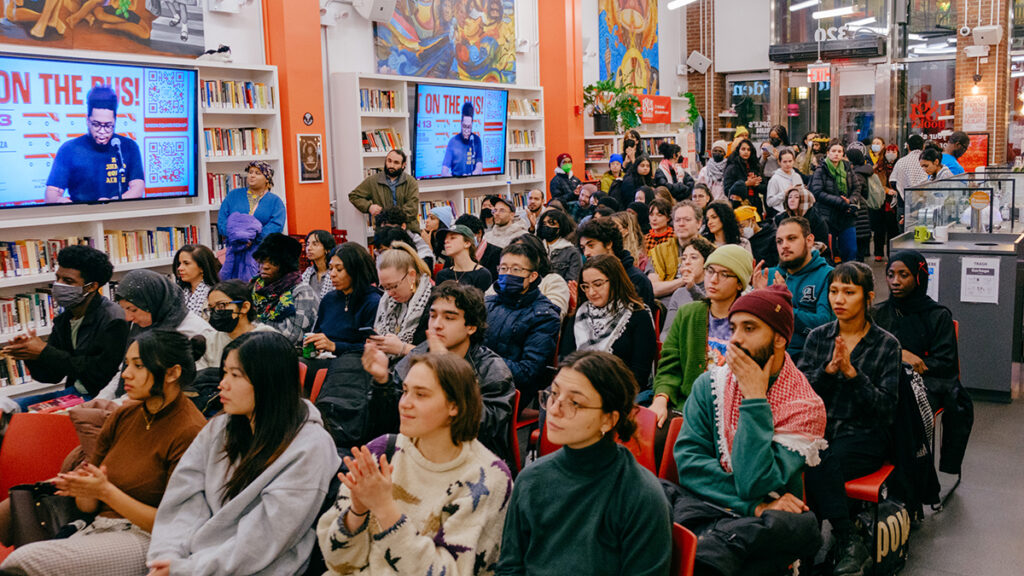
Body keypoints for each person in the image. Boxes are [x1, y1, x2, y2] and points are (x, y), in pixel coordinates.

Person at [0, 330, 206, 576]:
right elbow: (88, 506)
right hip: (95, 526)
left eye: (138, 366)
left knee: (25, 561)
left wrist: (105, 491)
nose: (126, 374)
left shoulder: (191, 431)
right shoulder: (125, 415)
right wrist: (83, 488)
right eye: (127, 364)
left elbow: (174, 524)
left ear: (173, 373)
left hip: (148, 539)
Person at [147, 331, 339, 576]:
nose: (222, 384)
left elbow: (265, 538)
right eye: (224, 372)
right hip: (194, 562)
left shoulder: (310, 447)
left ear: (269, 381)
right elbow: (184, 498)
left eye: (235, 375)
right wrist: (168, 556)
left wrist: (189, 568)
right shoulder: (220, 427)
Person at [673, 285, 826, 576]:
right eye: (733, 328)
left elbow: (753, 481)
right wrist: (755, 507)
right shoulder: (710, 385)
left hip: (762, 526)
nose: (736, 340)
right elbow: (690, 465)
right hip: (712, 507)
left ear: (780, 338)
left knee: (799, 525)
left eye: (750, 328)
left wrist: (755, 399)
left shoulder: (804, 406)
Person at [321, 352, 512, 574]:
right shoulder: (382, 451)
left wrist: (385, 510)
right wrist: (357, 513)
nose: (404, 404)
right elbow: (336, 562)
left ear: (455, 406)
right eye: (405, 391)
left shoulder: (487, 479)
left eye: (421, 395)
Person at [496, 350, 672, 575]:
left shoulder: (640, 496)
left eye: (575, 402)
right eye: (554, 394)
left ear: (609, 419)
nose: (554, 409)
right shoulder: (532, 479)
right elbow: (510, 568)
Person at [798, 262, 901, 576]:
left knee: (816, 462)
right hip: (820, 429)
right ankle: (846, 539)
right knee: (811, 455)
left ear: (868, 298)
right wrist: (829, 373)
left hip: (864, 434)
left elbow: (885, 409)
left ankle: (818, 542)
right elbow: (803, 396)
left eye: (849, 292)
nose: (838, 299)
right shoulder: (818, 337)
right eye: (833, 291)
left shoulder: (886, 344)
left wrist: (853, 375)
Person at [362, 281, 516, 464]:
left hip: (470, 465)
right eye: (433, 316)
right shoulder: (419, 354)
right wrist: (382, 381)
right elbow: (385, 424)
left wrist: (447, 371)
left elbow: (480, 429)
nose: (437, 324)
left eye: (449, 318)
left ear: (471, 327)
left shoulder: (493, 370)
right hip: (417, 455)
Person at [3, 245, 128, 399]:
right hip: (73, 394)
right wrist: (29, 354)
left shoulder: (114, 320)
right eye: (58, 278)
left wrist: (45, 352)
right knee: (8, 408)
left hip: (102, 397)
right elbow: (52, 376)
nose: (58, 285)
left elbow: (100, 374)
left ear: (92, 287)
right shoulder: (65, 319)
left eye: (68, 281)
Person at [651, 245, 753, 426]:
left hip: (730, 413)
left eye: (724, 274)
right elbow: (669, 365)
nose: (713, 279)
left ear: (739, 283)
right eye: (710, 271)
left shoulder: (750, 323)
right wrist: (660, 398)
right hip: (686, 405)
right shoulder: (688, 313)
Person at [872, 251, 958, 410]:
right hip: (882, 377)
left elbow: (945, 363)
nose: (895, 281)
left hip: (926, 382)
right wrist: (898, 356)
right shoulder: (877, 313)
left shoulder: (937, 315)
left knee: (902, 404)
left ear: (919, 278)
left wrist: (913, 364)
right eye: (890, 275)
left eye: (903, 275)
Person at [561, 255, 656, 389]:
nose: (591, 292)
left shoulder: (638, 315)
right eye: (586, 286)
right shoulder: (580, 315)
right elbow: (566, 360)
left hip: (620, 391)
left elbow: (639, 373)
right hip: (578, 387)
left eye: (598, 284)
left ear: (615, 281)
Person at [484, 242, 561, 400]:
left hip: (510, 392)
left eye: (516, 269)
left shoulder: (544, 316)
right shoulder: (487, 303)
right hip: (478, 378)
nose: (508, 274)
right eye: (503, 268)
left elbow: (528, 372)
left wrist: (480, 361)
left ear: (532, 276)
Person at [751, 217, 834, 361]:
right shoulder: (767, 276)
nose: (784, 246)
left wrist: (783, 304)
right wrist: (758, 298)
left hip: (809, 358)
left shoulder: (828, 275)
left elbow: (825, 325)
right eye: (779, 241)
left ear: (809, 240)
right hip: (768, 357)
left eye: (791, 238)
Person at [45, 85, 144, 203]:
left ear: (115, 121)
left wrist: (114, 202)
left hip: (118, 215)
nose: (102, 131)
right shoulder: (69, 149)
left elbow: (138, 187)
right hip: (81, 215)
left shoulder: (128, 147)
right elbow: (51, 192)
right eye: (96, 124)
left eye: (108, 126)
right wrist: (60, 201)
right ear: (87, 121)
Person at [115, 269, 216, 369]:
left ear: (153, 303)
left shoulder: (198, 331)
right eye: (123, 310)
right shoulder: (142, 325)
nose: (128, 318)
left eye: (133, 310)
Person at [304, 242, 382, 356]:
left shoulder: (372, 302)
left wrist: (334, 346)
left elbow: (373, 347)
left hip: (354, 363)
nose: (332, 274)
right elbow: (317, 332)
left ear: (356, 271)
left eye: (339, 269)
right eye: (330, 268)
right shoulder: (329, 299)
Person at [369, 241, 433, 360]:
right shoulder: (386, 302)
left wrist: (403, 348)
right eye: (384, 287)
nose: (389, 293)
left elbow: (442, 357)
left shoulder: (434, 303)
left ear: (411, 276)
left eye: (394, 286)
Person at [250, 233, 318, 345]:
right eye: (262, 261)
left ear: (286, 266)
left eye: (273, 262)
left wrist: (252, 328)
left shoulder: (301, 292)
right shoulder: (256, 290)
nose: (265, 266)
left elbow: (293, 337)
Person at [578, 218, 655, 311]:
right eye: (583, 248)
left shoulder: (636, 279)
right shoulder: (587, 277)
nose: (586, 253)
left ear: (608, 244)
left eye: (591, 246)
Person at [200, 279, 278, 369]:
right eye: (211, 309)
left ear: (244, 307)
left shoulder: (266, 337)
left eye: (221, 306)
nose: (215, 312)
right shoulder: (210, 341)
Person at [811, 139, 860, 263]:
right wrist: (839, 201)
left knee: (851, 250)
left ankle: (849, 278)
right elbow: (817, 192)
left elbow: (857, 187)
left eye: (839, 151)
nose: (836, 154)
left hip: (846, 214)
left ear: (843, 154)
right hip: (827, 216)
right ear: (828, 152)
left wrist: (850, 200)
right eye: (833, 151)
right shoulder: (820, 170)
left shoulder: (848, 168)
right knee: (829, 253)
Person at [350, 149, 422, 233]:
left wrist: (388, 218)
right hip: (383, 232)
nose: (391, 165)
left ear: (403, 165)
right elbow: (354, 196)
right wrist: (369, 207)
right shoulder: (373, 180)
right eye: (389, 161)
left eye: (396, 163)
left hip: (408, 230)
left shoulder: (411, 182)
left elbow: (412, 209)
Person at [660, 236, 716, 341]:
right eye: (684, 258)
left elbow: (711, 316)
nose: (687, 262)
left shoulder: (714, 289)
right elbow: (666, 333)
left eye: (694, 257)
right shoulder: (679, 293)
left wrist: (692, 288)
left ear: (706, 262)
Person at [217, 161, 287, 243]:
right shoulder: (233, 195)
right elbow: (222, 221)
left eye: (257, 173)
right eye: (250, 172)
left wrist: (253, 239)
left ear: (267, 179)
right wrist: (237, 236)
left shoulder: (275, 201)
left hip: (262, 249)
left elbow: (276, 225)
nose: (252, 176)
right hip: (235, 247)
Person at [647, 201, 704, 297]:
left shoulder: (711, 251)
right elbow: (653, 288)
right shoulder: (659, 252)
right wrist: (684, 280)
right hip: (667, 305)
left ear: (699, 223)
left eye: (687, 219)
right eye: (677, 220)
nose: (681, 224)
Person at [435, 224, 493, 292]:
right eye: (445, 239)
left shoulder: (482, 274)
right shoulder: (442, 275)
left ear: (467, 243)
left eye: (452, 238)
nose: (446, 241)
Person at [774, 185, 829, 251]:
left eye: (796, 197)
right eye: (789, 197)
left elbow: (821, 244)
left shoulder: (816, 219)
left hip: (812, 254)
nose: (792, 200)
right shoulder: (781, 218)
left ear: (805, 199)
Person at [173, 244, 221, 318]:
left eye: (186, 263)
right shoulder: (179, 292)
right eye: (179, 264)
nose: (180, 268)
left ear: (202, 267)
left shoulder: (212, 294)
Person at [871, 145, 901, 261]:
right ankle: (878, 253)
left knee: (892, 228)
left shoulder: (899, 166)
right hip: (880, 200)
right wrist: (886, 190)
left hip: (894, 202)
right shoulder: (878, 167)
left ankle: (891, 253)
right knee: (879, 228)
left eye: (893, 151)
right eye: (888, 151)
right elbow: (875, 184)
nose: (890, 153)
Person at [846, 145, 875, 261]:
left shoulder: (855, 175)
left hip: (857, 213)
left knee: (856, 250)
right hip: (863, 211)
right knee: (860, 248)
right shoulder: (864, 171)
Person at [538, 208, 583, 283]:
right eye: (544, 224)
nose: (546, 226)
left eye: (551, 223)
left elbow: (572, 281)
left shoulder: (572, 252)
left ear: (560, 227)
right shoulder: (537, 247)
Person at [723, 138, 766, 215]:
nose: (746, 152)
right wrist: (746, 184)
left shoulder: (755, 166)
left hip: (755, 205)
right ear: (738, 151)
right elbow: (727, 190)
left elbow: (764, 187)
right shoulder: (732, 167)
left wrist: (756, 185)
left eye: (748, 150)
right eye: (743, 149)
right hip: (738, 205)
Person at [441, 100, 484, 177]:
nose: (466, 131)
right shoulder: (453, 141)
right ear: (461, 124)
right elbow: (444, 171)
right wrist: (454, 179)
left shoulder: (477, 140)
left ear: (472, 125)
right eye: (464, 126)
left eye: (469, 127)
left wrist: (471, 176)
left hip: (473, 182)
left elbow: (479, 167)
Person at [457, 213, 502, 280]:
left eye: (466, 235)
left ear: (479, 233)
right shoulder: (455, 254)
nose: (464, 239)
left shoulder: (497, 253)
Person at [888, 134, 929, 205]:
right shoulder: (927, 161)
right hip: (925, 200)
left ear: (908, 146)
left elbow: (893, 181)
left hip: (904, 202)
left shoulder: (901, 162)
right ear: (923, 146)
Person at [301, 229, 338, 302]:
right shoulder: (308, 273)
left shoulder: (335, 273)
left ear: (327, 249)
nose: (309, 248)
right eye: (308, 244)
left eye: (315, 244)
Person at [765, 148, 804, 215]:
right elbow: (769, 202)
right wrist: (784, 194)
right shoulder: (775, 179)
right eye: (785, 162)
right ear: (779, 162)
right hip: (781, 214)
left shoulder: (797, 176)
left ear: (794, 161)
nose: (788, 164)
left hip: (797, 213)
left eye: (790, 161)